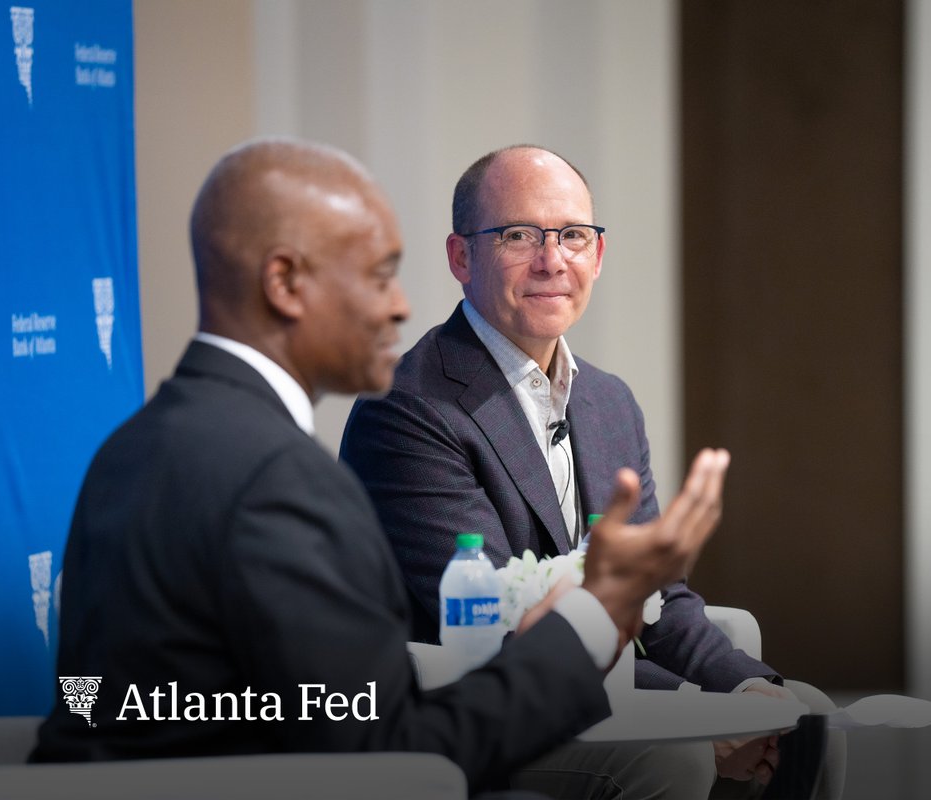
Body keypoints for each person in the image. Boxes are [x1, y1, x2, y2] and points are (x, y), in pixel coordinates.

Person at [30, 138, 733, 797]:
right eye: (378, 276)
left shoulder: (143, 442)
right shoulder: (277, 478)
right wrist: (592, 617)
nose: (399, 307)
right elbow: (391, 747)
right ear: (285, 283)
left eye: (573, 236)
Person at [339, 145, 839, 796]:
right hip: (462, 713)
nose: (552, 261)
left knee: (805, 715)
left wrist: (746, 691)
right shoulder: (408, 407)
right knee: (674, 753)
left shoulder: (609, 402)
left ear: (597, 257)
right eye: (519, 236)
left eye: (572, 236)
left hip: (593, 689)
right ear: (462, 257)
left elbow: (660, 598)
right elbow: (491, 623)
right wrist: (700, 712)